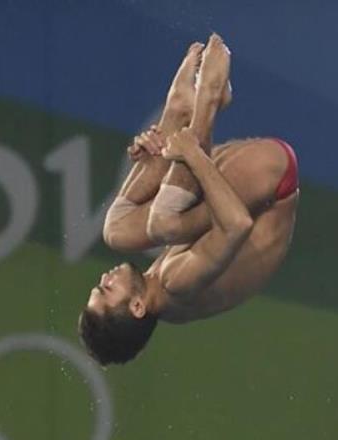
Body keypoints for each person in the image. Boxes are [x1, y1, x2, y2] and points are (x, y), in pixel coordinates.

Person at [78, 34, 299, 366]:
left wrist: (153, 159)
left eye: (99, 285)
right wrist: (191, 155)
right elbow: (237, 225)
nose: (104, 278)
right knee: (165, 221)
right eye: (106, 290)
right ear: (137, 307)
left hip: (230, 184)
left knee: (116, 230)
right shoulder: (175, 284)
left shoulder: (153, 284)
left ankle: (174, 118)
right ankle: (205, 105)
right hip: (272, 186)